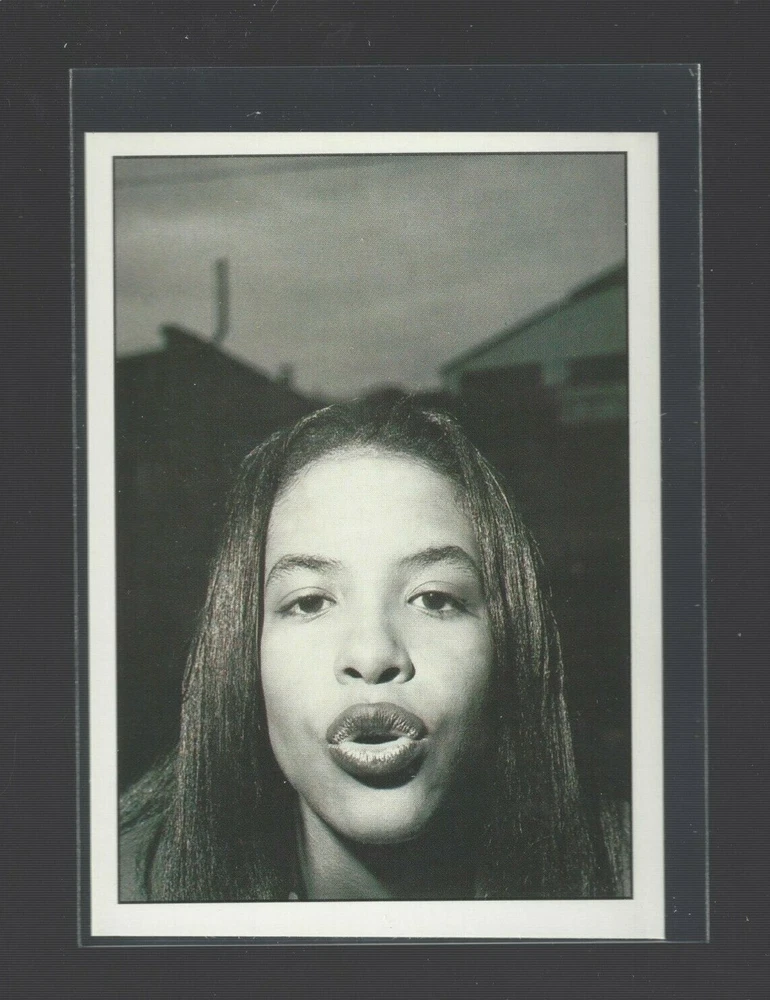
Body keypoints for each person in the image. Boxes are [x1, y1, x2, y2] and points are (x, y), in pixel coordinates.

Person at [120, 394, 630, 901]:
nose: (372, 656)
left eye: (433, 599)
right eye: (309, 602)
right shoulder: (117, 896)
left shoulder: (642, 877)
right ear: (241, 647)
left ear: (511, 638)